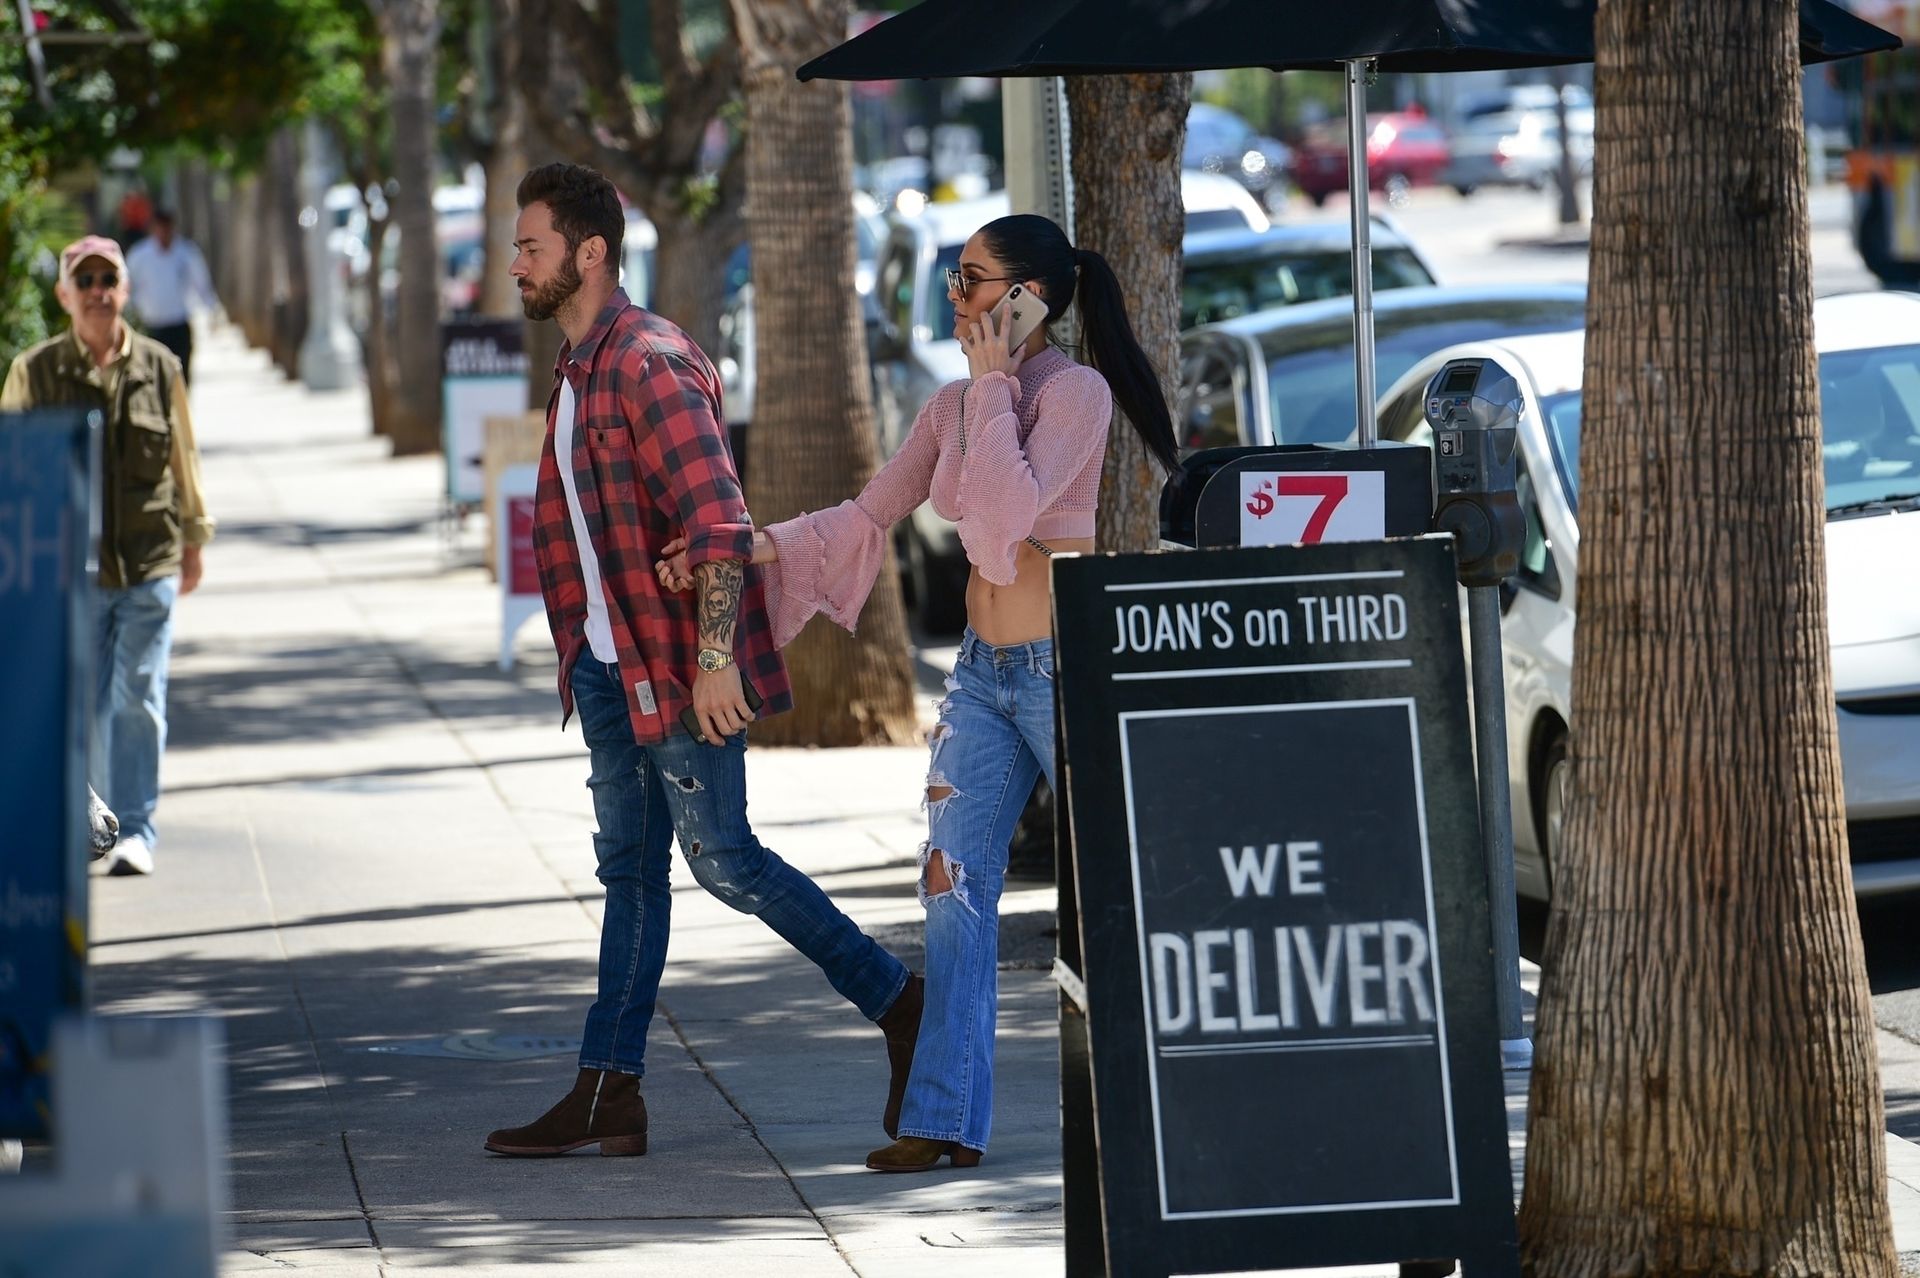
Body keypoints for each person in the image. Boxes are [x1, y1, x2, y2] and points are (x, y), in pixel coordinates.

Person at [657, 214, 1179, 1172]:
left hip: (1065, 670)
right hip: (982, 675)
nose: (957, 297)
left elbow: (1002, 523)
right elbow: (868, 513)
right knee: (951, 885)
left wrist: (994, 386)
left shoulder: (1076, 395)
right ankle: (943, 1121)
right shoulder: (951, 405)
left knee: (1122, 888)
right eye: (955, 278)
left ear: (1029, 298)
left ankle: (1170, 1110)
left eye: (973, 279)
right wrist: (741, 547)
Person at [482, 162, 922, 1160]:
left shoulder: (648, 362)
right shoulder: (577, 370)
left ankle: (901, 1002)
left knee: (725, 860)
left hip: (677, 668)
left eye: (530, 247)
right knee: (630, 873)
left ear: (591, 252)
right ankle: (609, 1090)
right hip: (607, 667)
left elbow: (719, 523)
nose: (515, 265)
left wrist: (716, 659)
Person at [1, 235, 216, 877]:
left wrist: (195, 536)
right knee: (87, 705)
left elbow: (183, 456)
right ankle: (92, 825)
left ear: (125, 289)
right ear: (64, 294)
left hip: (149, 560)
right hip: (70, 572)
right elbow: (10, 471)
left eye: (107, 280)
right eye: (85, 280)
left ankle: (136, 831)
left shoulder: (159, 366)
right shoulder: (34, 371)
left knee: (139, 695)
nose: (97, 292)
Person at [125, 211, 219, 382]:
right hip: (152, 327)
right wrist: (130, 314)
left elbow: (201, 283)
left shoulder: (186, 252)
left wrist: (212, 309)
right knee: (154, 379)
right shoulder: (140, 255)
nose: (164, 233)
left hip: (178, 325)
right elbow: (129, 287)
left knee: (181, 378)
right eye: (160, 228)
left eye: (167, 228)